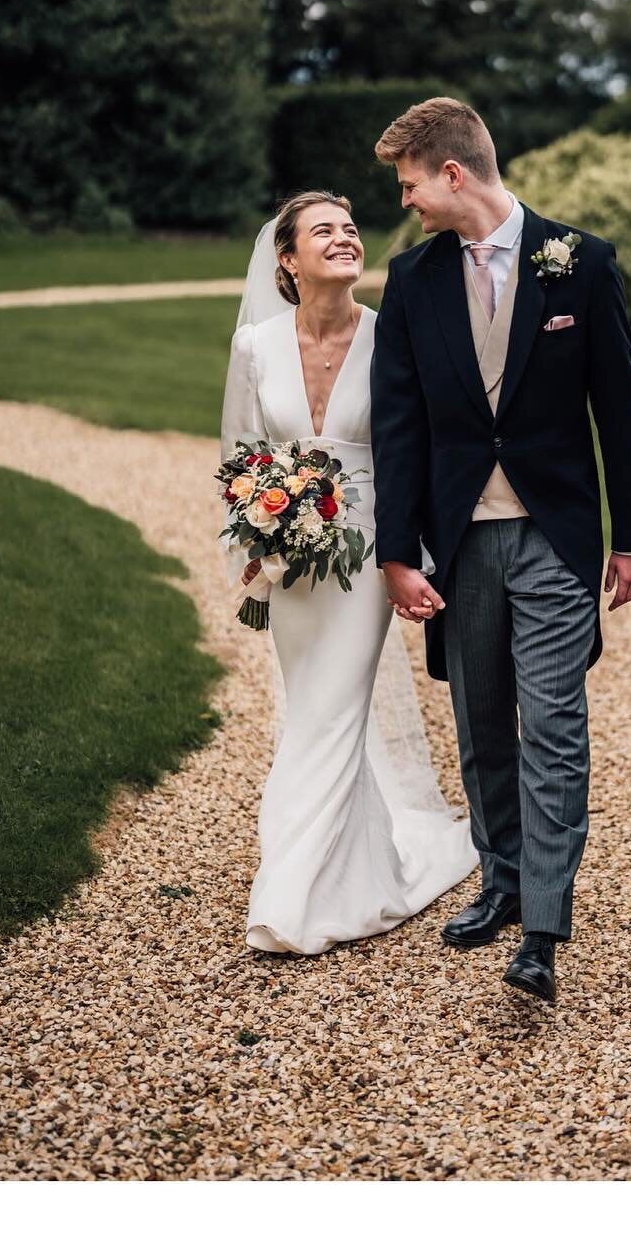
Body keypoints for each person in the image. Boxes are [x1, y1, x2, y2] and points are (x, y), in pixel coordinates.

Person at [369, 98, 631, 1004]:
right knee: (482, 726)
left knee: (555, 728)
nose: (408, 202)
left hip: (557, 538)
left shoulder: (581, 261)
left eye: (412, 183)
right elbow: (399, 426)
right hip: (460, 543)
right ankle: (500, 880)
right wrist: (398, 552)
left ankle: (542, 929)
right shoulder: (412, 280)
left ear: (453, 174)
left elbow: (619, 410)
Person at [220, 190, 476, 955]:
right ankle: (355, 871)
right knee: (313, 708)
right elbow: (240, 451)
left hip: (368, 548)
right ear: (288, 261)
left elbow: (417, 450)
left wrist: (413, 557)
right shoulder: (256, 346)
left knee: (332, 708)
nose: (344, 238)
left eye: (351, 228)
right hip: (291, 555)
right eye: (323, 231)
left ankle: (290, 894)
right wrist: (252, 547)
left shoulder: (388, 334)